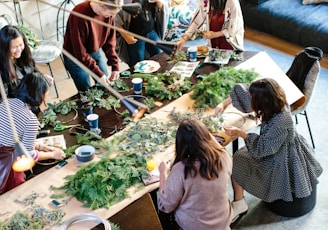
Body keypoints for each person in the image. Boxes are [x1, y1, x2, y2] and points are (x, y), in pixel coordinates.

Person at [214, 78, 323, 223]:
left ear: (263, 102)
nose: (251, 102)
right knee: (240, 155)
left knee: (238, 160)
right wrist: (223, 103)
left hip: (280, 155)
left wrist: (240, 133)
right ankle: (239, 201)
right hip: (275, 145)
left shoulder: (281, 121)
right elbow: (244, 91)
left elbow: (262, 149)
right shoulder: (275, 97)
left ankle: (239, 203)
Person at [158, 119, 233, 230]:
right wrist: (203, 132)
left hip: (195, 226)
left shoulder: (181, 170)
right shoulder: (223, 156)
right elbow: (217, 147)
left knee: (164, 210)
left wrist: (162, 173)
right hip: (223, 221)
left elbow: (166, 206)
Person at [0, 72, 66, 194]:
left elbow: (12, 135)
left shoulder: (6, 102)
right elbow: (29, 155)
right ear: (39, 95)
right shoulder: (30, 119)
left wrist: (40, 146)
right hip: (3, 160)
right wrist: (53, 155)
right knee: (18, 188)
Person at [63, 0, 122, 92]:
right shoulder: (79, 15)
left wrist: (115, 65)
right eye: (111, 13)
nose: (112, 16)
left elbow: (110, 41)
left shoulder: (108, 15)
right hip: (75, 57)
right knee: (86, 91)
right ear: (102, 5)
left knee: (106, 85)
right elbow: (80, 52)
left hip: (94, 50)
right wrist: (99, 74)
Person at [0, 25, 54, 99]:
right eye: (14, 47)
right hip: (16, 107)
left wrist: (41, 77)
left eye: (21, 45)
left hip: (30, 102)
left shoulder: (24, 55)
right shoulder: (2, 69)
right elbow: (3, 101)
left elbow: (33, 72)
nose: (19, 49)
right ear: (4, 48)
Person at [115, 0, 169, 67]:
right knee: (138, 65)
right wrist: (124, 33)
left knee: (161, 58)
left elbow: (163, 6)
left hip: (152, 31)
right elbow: (113, 14)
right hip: (134, 34)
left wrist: (159, 3)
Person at [177, 0, 244, 51]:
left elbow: (233, 30)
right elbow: (197, 20)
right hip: (213, 42)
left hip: (230, 43)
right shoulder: (205, 1)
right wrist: (184, 39)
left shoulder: (232, 2)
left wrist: (215, 34)